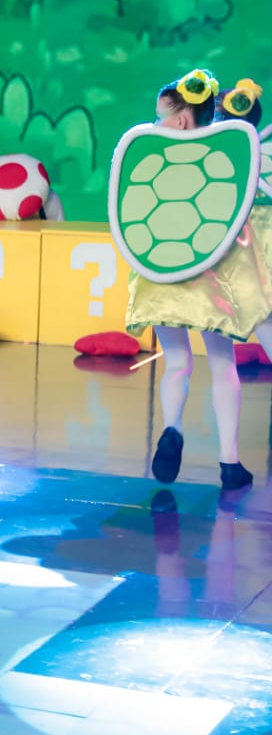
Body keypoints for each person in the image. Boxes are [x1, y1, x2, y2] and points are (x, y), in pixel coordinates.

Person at [125, 70, 268, 488]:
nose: (156, 124)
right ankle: (229, 463)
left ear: (182, 119)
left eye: (161, 116)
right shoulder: (225, 161)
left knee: (177, 363)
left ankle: (172, 428)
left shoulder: (154, 160)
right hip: (209, 281)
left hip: (160, 277)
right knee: (222, 365)